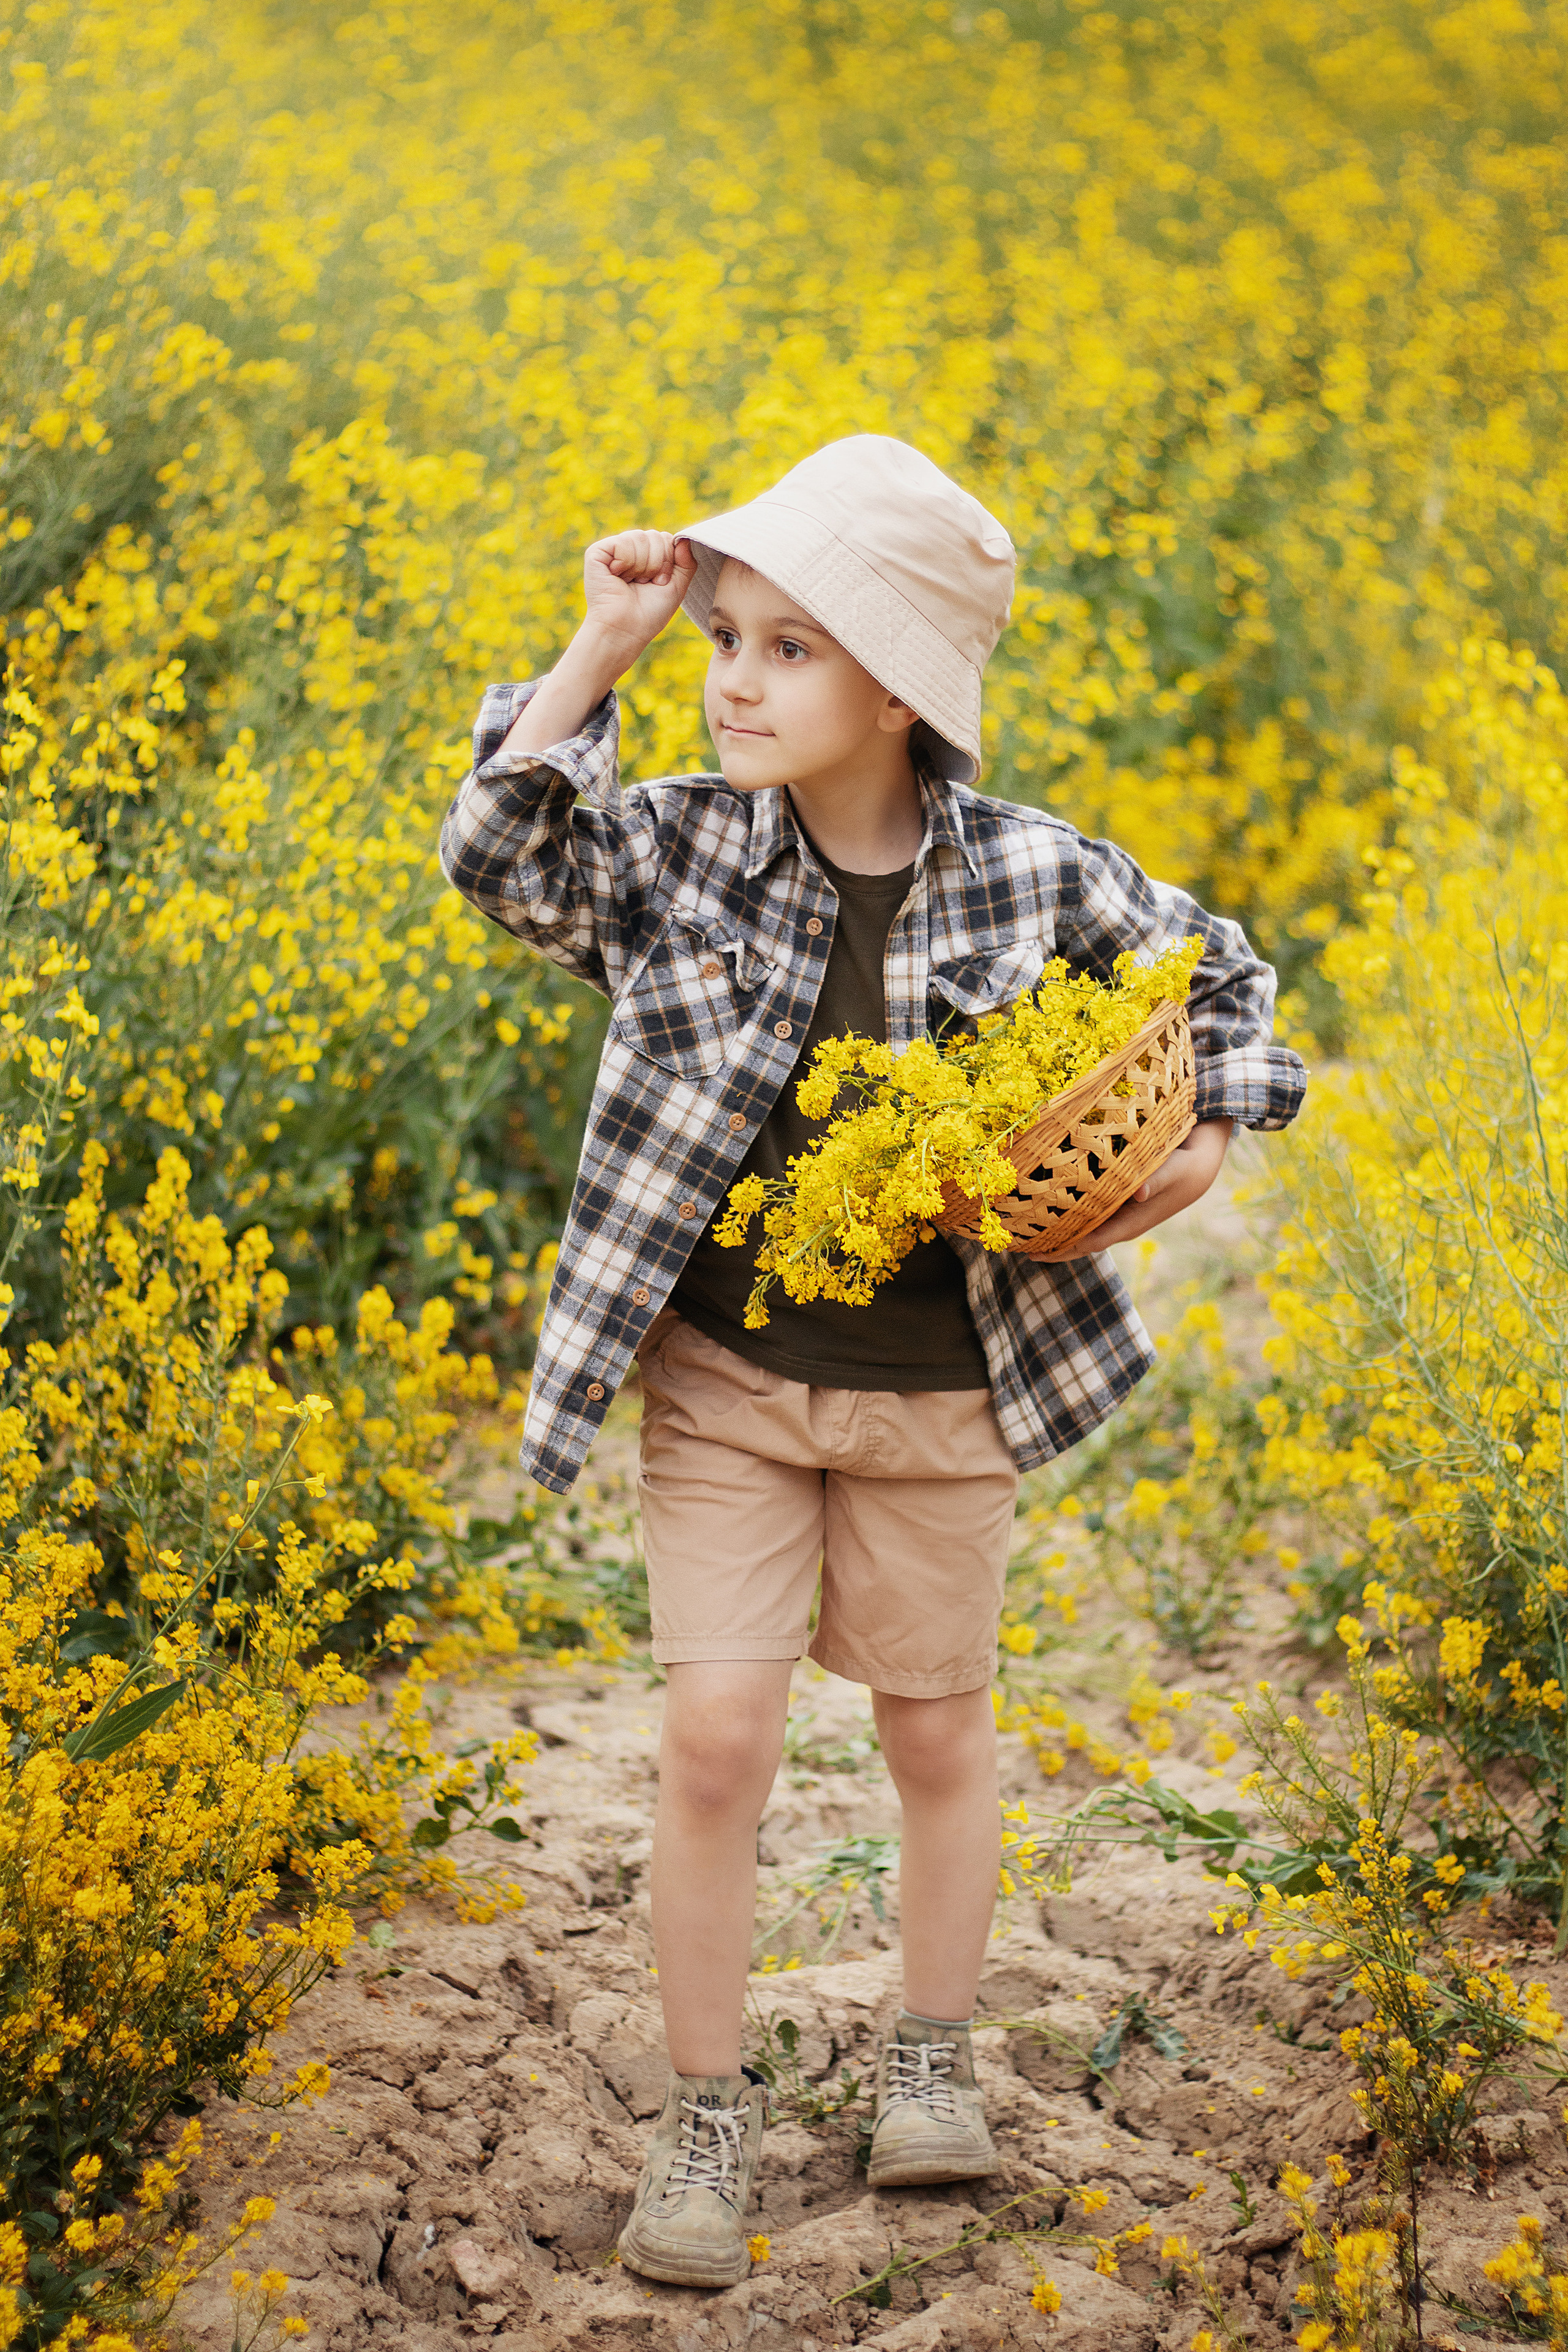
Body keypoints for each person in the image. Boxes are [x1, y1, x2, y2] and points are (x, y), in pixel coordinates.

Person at [439, 435, 1306, 2290]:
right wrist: (600, 648)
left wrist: (1190, 1157)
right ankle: (705, 2111)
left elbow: (1232, 992)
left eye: (785, 648)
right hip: (727, 1389)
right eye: (721, 641)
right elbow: (499, 851)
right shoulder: (675, 849)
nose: (732, 678)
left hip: (946, 1398)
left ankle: (930, 2057)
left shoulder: (1036, 878)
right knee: (713, 1741)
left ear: (902, 688)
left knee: (934, 1730)